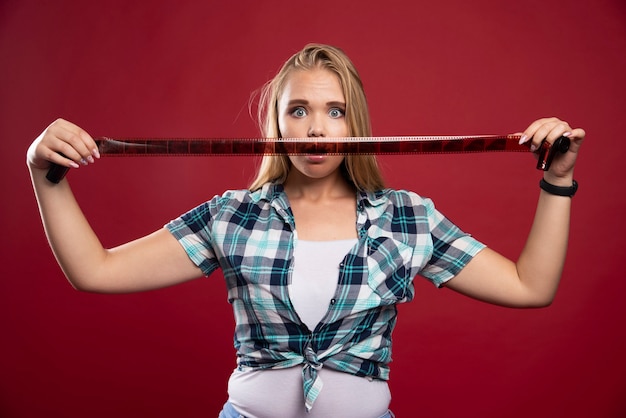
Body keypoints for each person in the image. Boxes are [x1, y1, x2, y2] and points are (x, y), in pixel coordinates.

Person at [27, 44, 585, 418]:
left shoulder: (408, 217)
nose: (316, 127)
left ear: (355, 122)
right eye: (297, 110)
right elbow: (95, 271)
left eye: (335, 111)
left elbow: (530, 287)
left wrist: (557, 182)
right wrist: (45, 176)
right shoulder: (233, 215)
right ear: (275, 122)